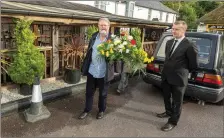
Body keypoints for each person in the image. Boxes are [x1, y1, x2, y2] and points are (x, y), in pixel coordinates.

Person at [157, 20, 198, 131]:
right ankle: (168, 112)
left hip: (179, 78)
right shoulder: (169, 42)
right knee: (166, 97)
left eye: (176, 29)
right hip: (166, 75)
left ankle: (172, 121)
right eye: (173, 29)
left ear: (183, 30)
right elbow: (168, 59)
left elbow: (193, 64)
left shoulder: (189, 45)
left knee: (177, 101)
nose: (173, 31)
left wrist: (183, 72)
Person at [79, 18, 114, 120]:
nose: (103, 27)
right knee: (89, 93)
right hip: (92, 70)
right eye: (101, 25)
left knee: (103, 94)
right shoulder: (94, 37)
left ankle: (101, 110)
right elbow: (90, 52)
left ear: (109, 26)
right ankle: (87, 110)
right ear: (98, 26)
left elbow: (116, 57)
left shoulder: (113, 39)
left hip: (104, 72)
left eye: (105, 25)